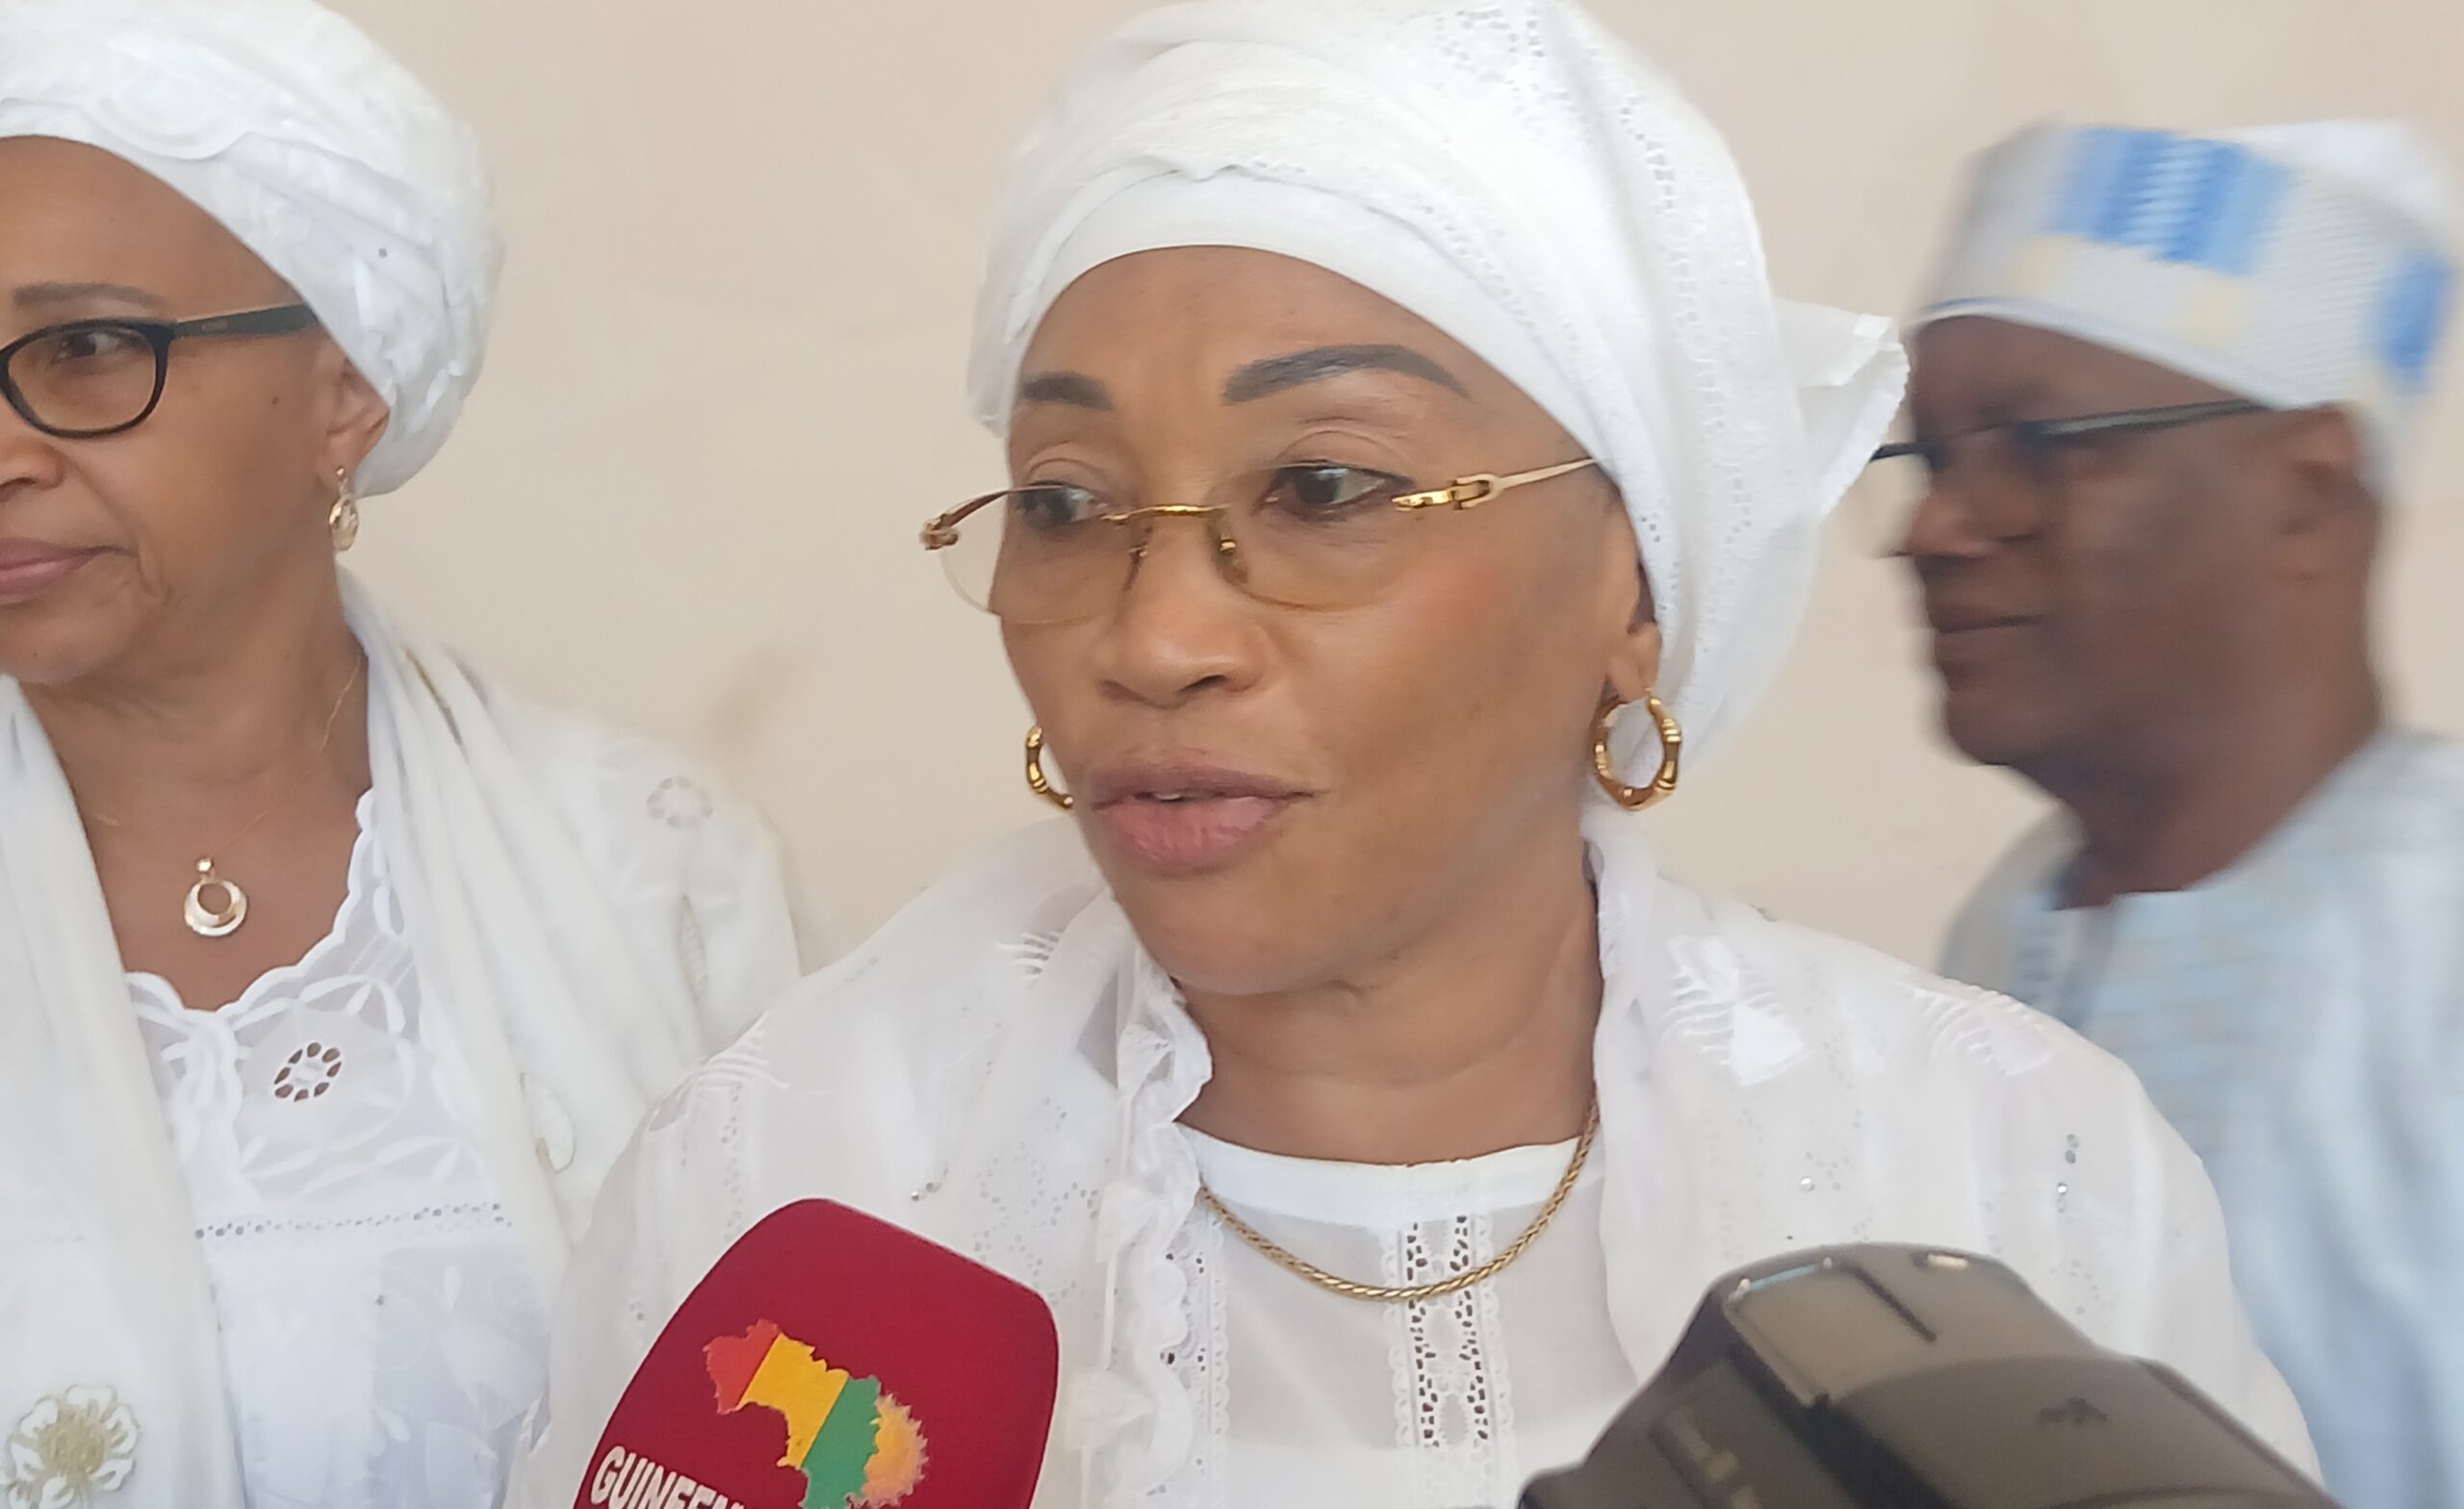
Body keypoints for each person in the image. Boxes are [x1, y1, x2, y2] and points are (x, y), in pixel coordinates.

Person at [512, 6, 2310, 1507]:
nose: (1152, 636)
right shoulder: (802, 1174)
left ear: (1632, 585)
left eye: (1324, 487)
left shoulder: (1997, 1171)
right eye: (1064, 503)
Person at [0, 3, 807, 1507]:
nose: (5, 447)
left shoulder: (651, 871)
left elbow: (811, 1428)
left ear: (346, 387)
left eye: (89, 348)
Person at [1892, 121, 2464, 1509]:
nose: (1936, 530)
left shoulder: (2438, 938)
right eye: (1931, 457)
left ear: (2307, 494)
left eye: (2040, 446)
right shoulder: (2002, 939)